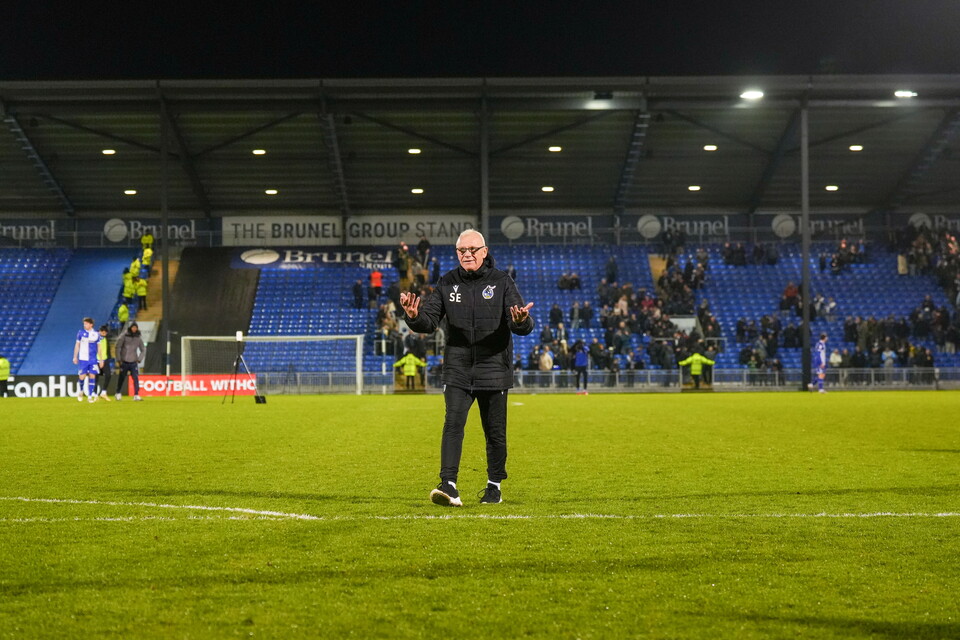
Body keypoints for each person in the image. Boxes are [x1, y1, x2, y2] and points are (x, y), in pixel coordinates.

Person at [400, 229, 534, 507]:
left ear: (484, 252)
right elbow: (429, 321)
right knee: (452, 424)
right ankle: (448, 485)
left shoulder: (501, 281)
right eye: (462, 250)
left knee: (495, 432)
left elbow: (520, 321)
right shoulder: (447, 281)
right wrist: (413, 317)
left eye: (473, 249)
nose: (467, 254)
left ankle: (494, 487)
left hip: (494, 369)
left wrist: (521, 321)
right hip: (458, 369)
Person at [114, 322, 145, 401]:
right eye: (133, 327)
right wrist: (119, 359)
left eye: (135, 327)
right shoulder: (124, 336)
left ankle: (136, 394)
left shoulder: (138, 337)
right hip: (124, 361)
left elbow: (143, 349)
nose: (134, 329)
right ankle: (118, 393)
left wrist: (139, 359)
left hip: (133, 362)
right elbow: (117, 347)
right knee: (121, 378)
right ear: (130, 328)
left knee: (135, 378)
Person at [73, 316, 101, 402]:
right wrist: (75, 356)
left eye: (86, 324)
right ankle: (81, 390)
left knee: (92, 376)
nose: (84, 325)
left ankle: (90, 396)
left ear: (91, 324)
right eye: (84, 324)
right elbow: (77, 345)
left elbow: (99, 347)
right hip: (83, 359)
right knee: (82, 377)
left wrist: (101, 359)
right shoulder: (80, 333)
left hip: (93, 359)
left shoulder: (96, 334)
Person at [95, 325, 113, 401]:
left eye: (105, 333)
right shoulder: (95, 338)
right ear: (100, 331)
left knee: (108, 375)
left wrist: (108, 357)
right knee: (96, 377)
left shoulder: (106, 338)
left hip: (105, 360)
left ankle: (103, 392)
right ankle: (95, 395)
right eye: (103, 332)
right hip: (96, 360)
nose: (104, 334)